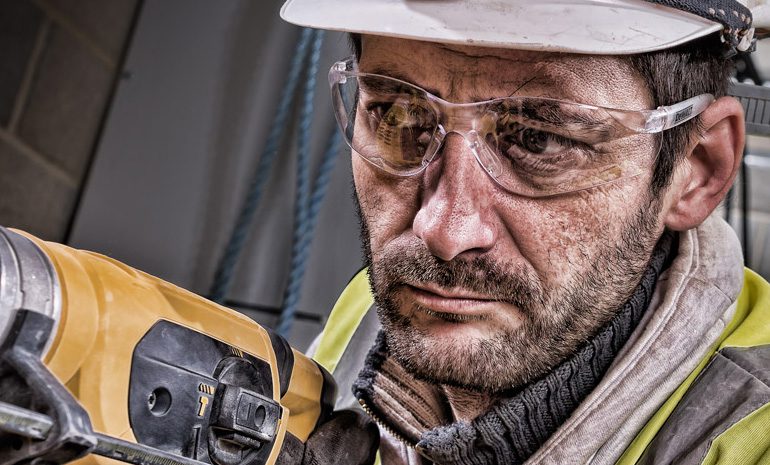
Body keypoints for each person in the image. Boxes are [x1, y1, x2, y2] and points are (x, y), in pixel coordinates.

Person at [281, 1, 770, 464]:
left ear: (697, 169)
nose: (443, 232)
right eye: (399, 117)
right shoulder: (376, 311)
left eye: (539, 140)